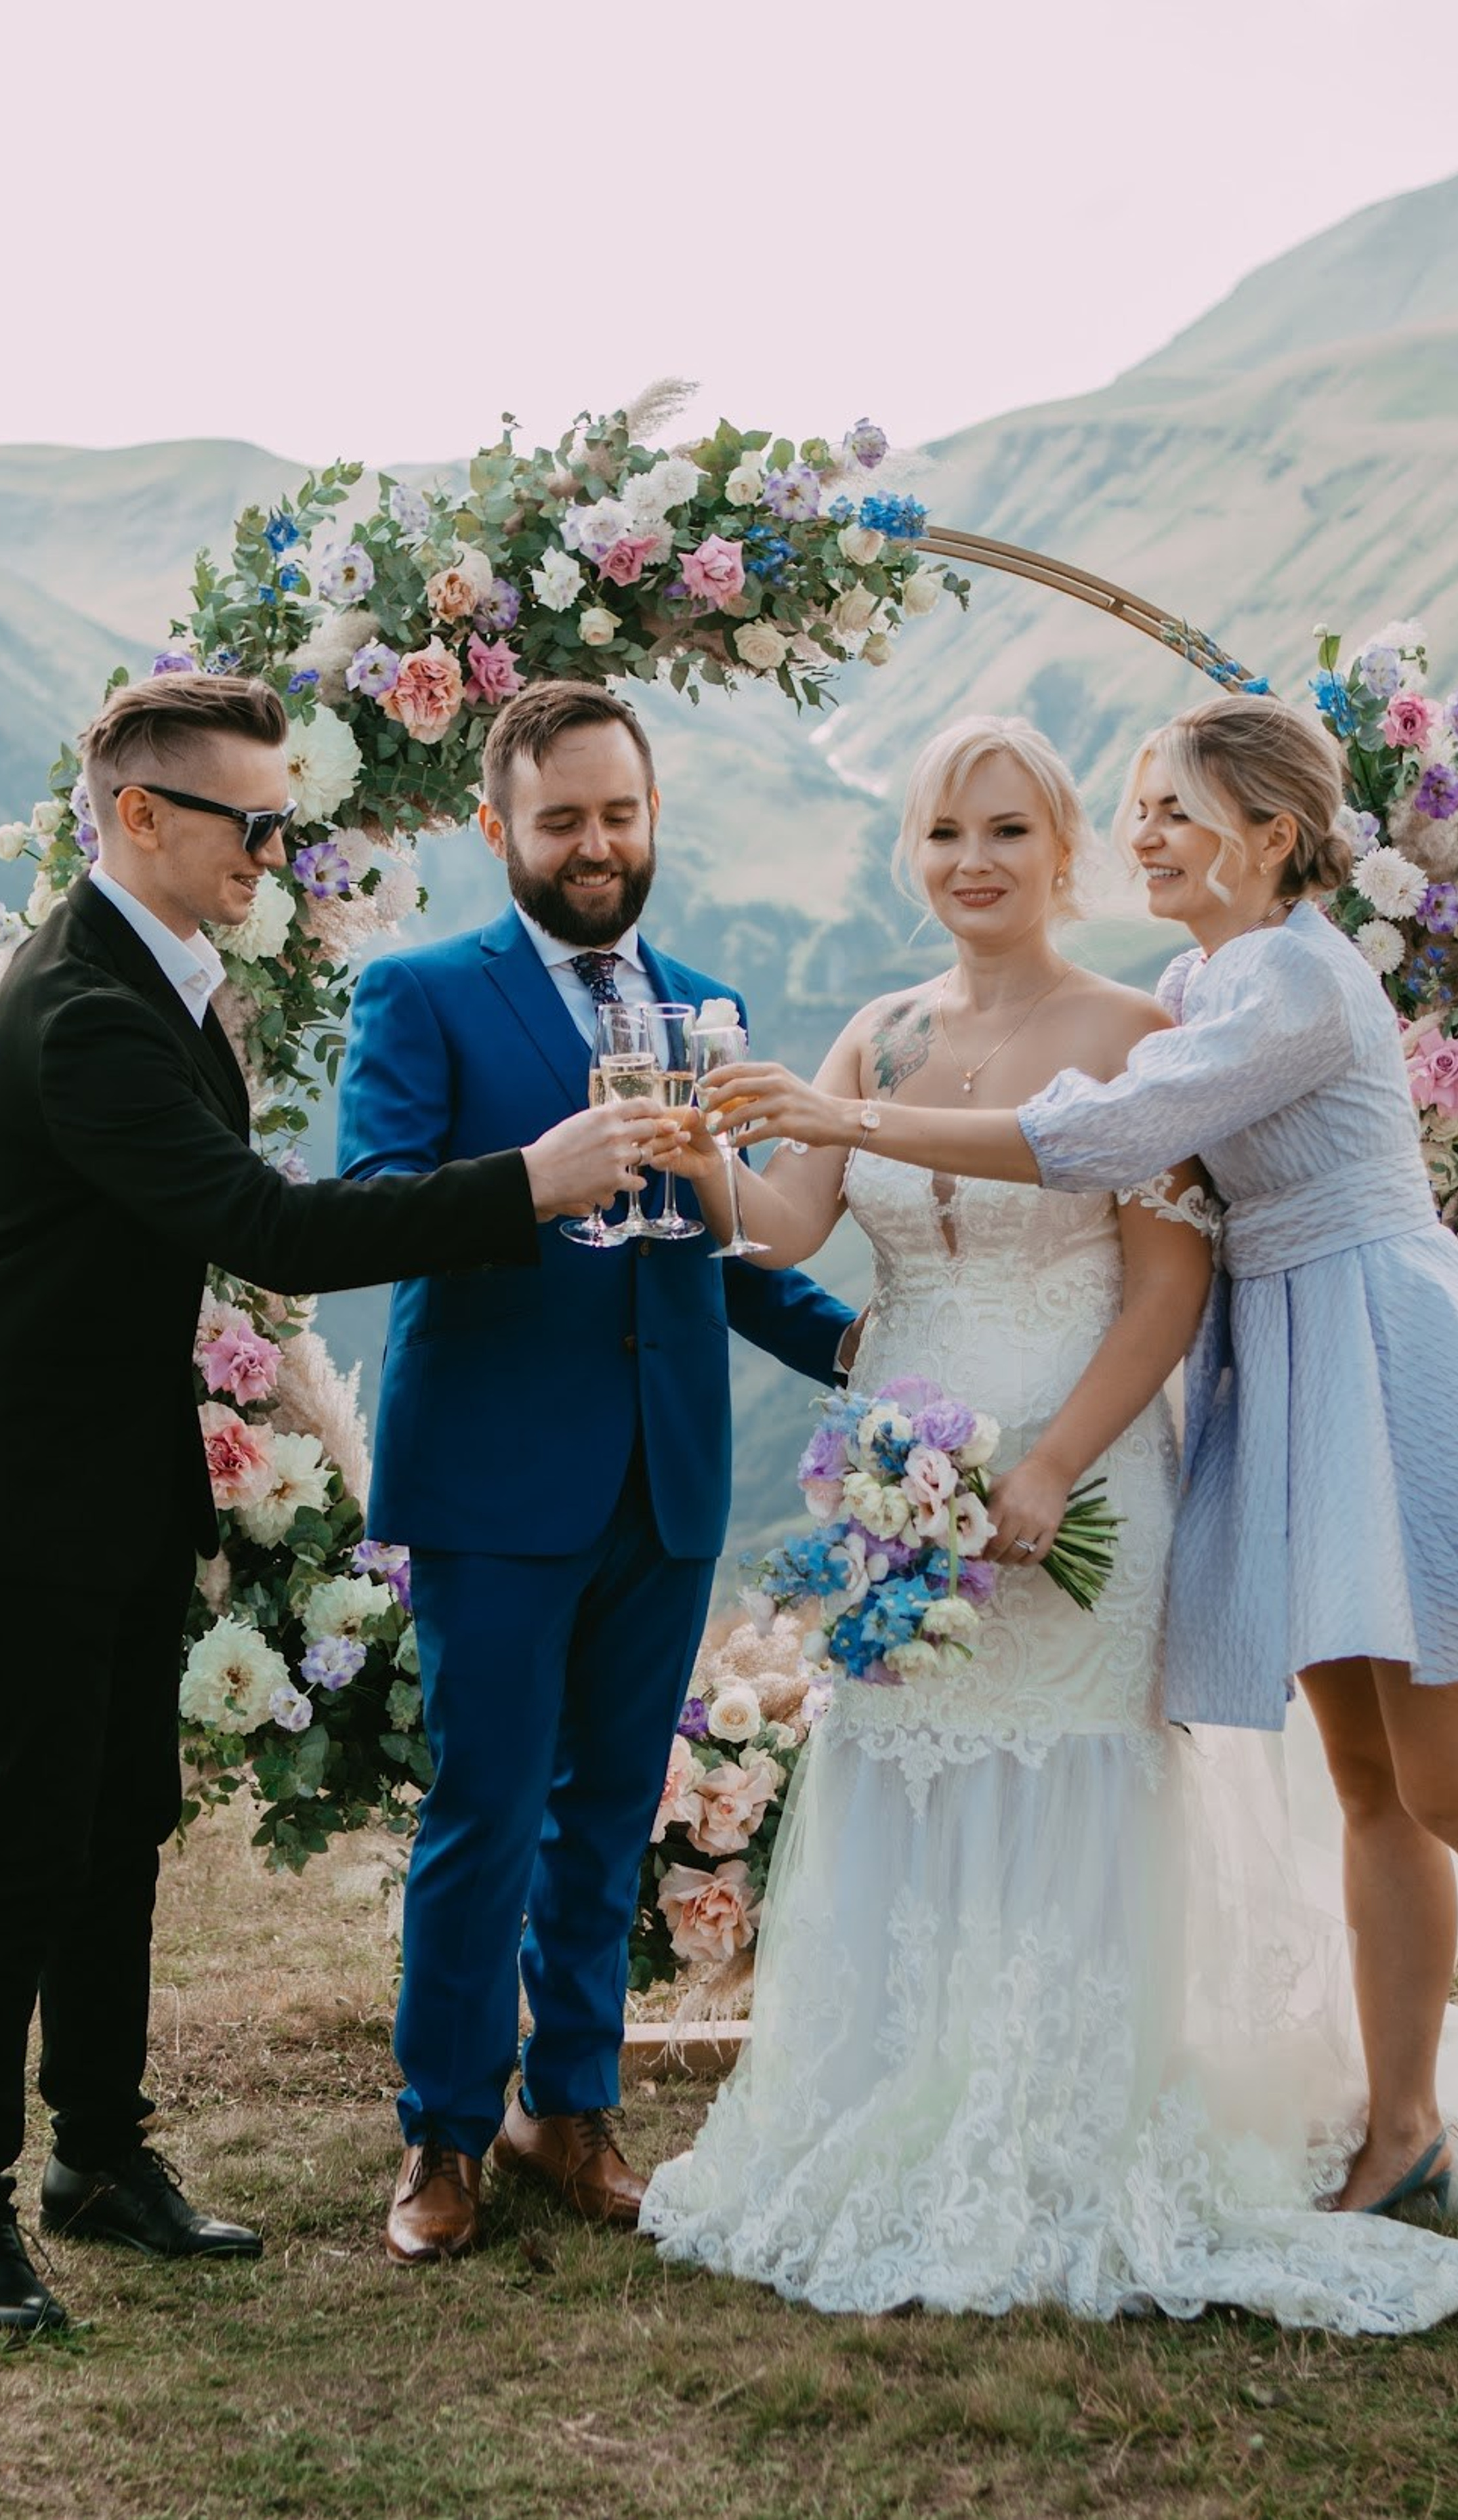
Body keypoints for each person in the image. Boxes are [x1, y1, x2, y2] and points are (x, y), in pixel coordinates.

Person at [644, 714, 1458, 2328]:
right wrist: (693, 1152)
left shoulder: (1215, 1003)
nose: (976, 860)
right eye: (945, 832)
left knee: (1421, 1777)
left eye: (1017, 829)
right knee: (1368, 1780)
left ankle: (1340, 2118)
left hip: (1334, 1377)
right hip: (1176, 1412)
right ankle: (1390, 2125)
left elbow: (1122, 1204)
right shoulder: (1099, 997)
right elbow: (786, 1223)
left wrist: (1050, 1462)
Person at [0, 672, 663, 2334]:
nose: (274, 851)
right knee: (23, 1857)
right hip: (21, 1488)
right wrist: (528, 1184)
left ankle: (98, 2157)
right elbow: (270, 1229)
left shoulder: (158, 977)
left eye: (283, 819)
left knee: (118, 1833)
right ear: (139, 817)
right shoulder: (86, 1008)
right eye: (250, 823)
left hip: (119, 1477)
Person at [337, 679, 856, 2265]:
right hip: (493, 1476)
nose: (593, 845)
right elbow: (375, 1202)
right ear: (496, 825)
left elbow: (725, 1240)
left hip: (664, 1473)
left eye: (617, 815)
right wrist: (530, 1180)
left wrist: (851, 1346)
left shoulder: (705, 1004)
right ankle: (441, 2130)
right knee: (484, 1813)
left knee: (612, 1811)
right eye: (559, 819)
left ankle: (566, 2108)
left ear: (651, 818)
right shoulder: (420, 995)